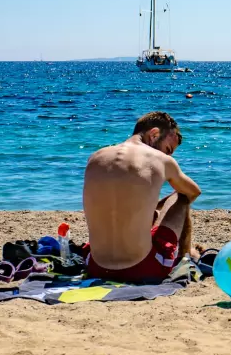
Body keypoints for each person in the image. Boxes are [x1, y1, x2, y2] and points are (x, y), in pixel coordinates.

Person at [82, 111, 201, 282]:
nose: (167, 156)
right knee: (181, 196)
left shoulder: (95, 157)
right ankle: (186, 256)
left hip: (95, 266)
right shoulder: (161, 160)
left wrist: (154, 208)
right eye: (168, 150)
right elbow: (194, 191)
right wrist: (164, 204)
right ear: (154, 134)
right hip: (144, 268)